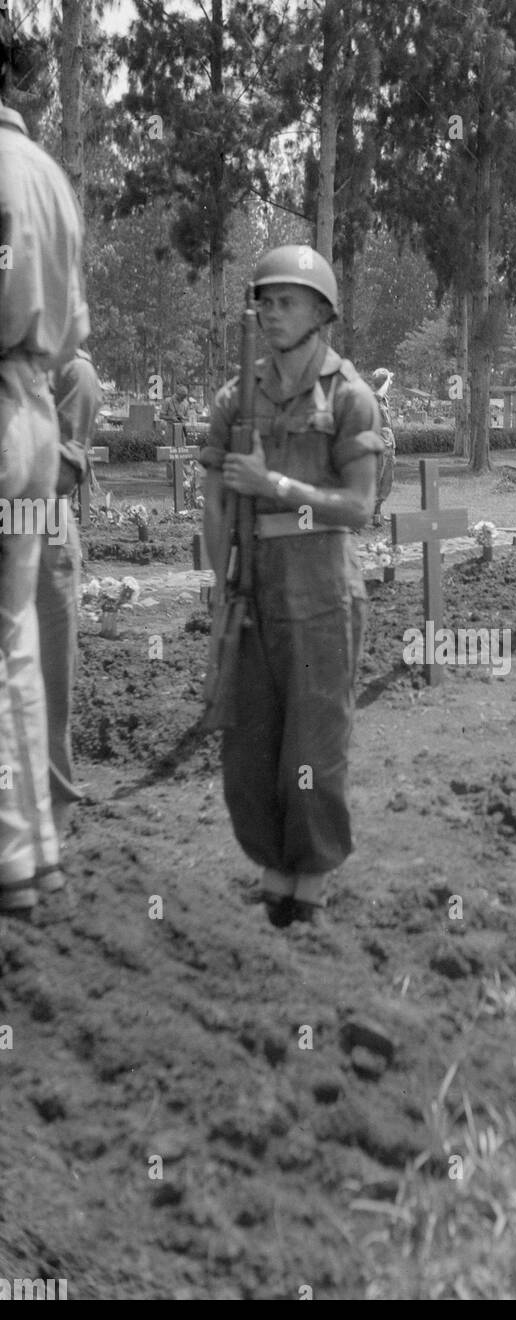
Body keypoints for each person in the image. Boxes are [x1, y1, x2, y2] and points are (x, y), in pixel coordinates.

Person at [201, 245, 384, 929]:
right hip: (252, 591)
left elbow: (359, 508)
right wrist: (221, 590)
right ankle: (273, 867)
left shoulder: (348, 398)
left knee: (313, 744)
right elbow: (216, 505)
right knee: (249, 744)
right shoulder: (234, 397)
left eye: (288, 302)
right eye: (265, 302)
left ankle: (310, 877)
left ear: (321, 313)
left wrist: (276, 487)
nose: (272, 314)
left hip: (321, 594)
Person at [0, 17, 90, 918]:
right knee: (14, 631)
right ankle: (32, 852)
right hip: (31, 418)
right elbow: (73, 333)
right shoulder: (49, 179)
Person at [36, 347, 101, 838]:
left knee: (46, 687)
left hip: (42, 543)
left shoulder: (71, 370)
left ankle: (54, 822)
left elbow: (57, 475)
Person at [370, 367, 396, 527]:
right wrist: (386, 380)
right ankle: (359, 520)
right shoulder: (374, 398)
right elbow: (378, 395)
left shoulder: (385, 399)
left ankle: (377, 514)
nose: (391, 383)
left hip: (389, 446)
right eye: (389, 380)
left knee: (387, 481)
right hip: (379, 446)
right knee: (375, 481)